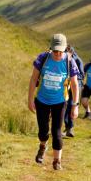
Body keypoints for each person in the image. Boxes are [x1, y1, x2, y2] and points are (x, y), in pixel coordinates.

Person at [28, 34, 80, 170]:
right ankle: (43, 146)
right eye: (55, 50)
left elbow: (75, 85)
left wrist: (75, 105)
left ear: (65, 50)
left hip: (60, 101)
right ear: (51, 48)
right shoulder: (43, 58)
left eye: (60, 51)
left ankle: (57, 161)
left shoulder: (69, 62)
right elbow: (33, 79)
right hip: (42, 100)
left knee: (56, 131)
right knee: (43, 131)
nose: (57, 54)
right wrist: (30, 100)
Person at [63, 45, 84, 137]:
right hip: (67, 84)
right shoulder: (65, 58)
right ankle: (68, 128)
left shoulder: (77, 60)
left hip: (76, 85)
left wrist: (73, 78)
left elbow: (81, 75)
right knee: (66, 105)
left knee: (70, 105)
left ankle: (70, 128)